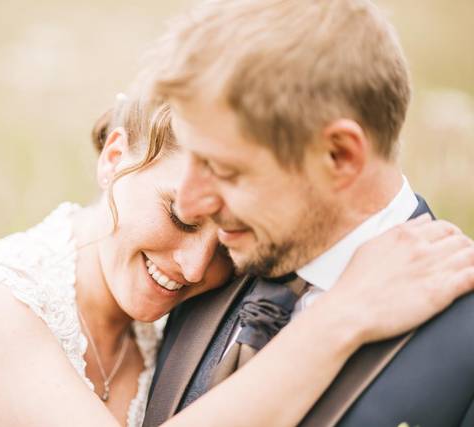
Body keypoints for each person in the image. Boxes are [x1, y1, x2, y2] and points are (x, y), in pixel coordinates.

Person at [0, 88, 473, 427]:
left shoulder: (170, 325)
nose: (189, 265)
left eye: (229, 240)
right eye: (180, 216)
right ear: (114, 157)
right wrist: (348, 315)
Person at [142, 1, 474, 426]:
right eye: (191, 156)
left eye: (224, 170)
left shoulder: (464, 338)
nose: (189, 206)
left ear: (339, 155)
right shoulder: (194, 268)